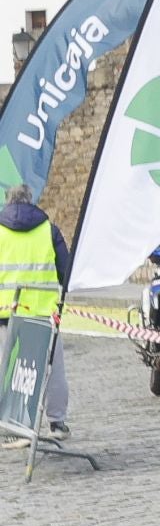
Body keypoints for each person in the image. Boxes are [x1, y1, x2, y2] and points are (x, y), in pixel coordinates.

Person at [0, 184, 71, 444]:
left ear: (8, 203)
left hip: (7, 312)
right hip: (44, 312)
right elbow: (66, 268)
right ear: (31, 202)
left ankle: (10, 421)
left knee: (6, 367)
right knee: (53, 368)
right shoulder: (49, 231)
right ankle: (57, 421)